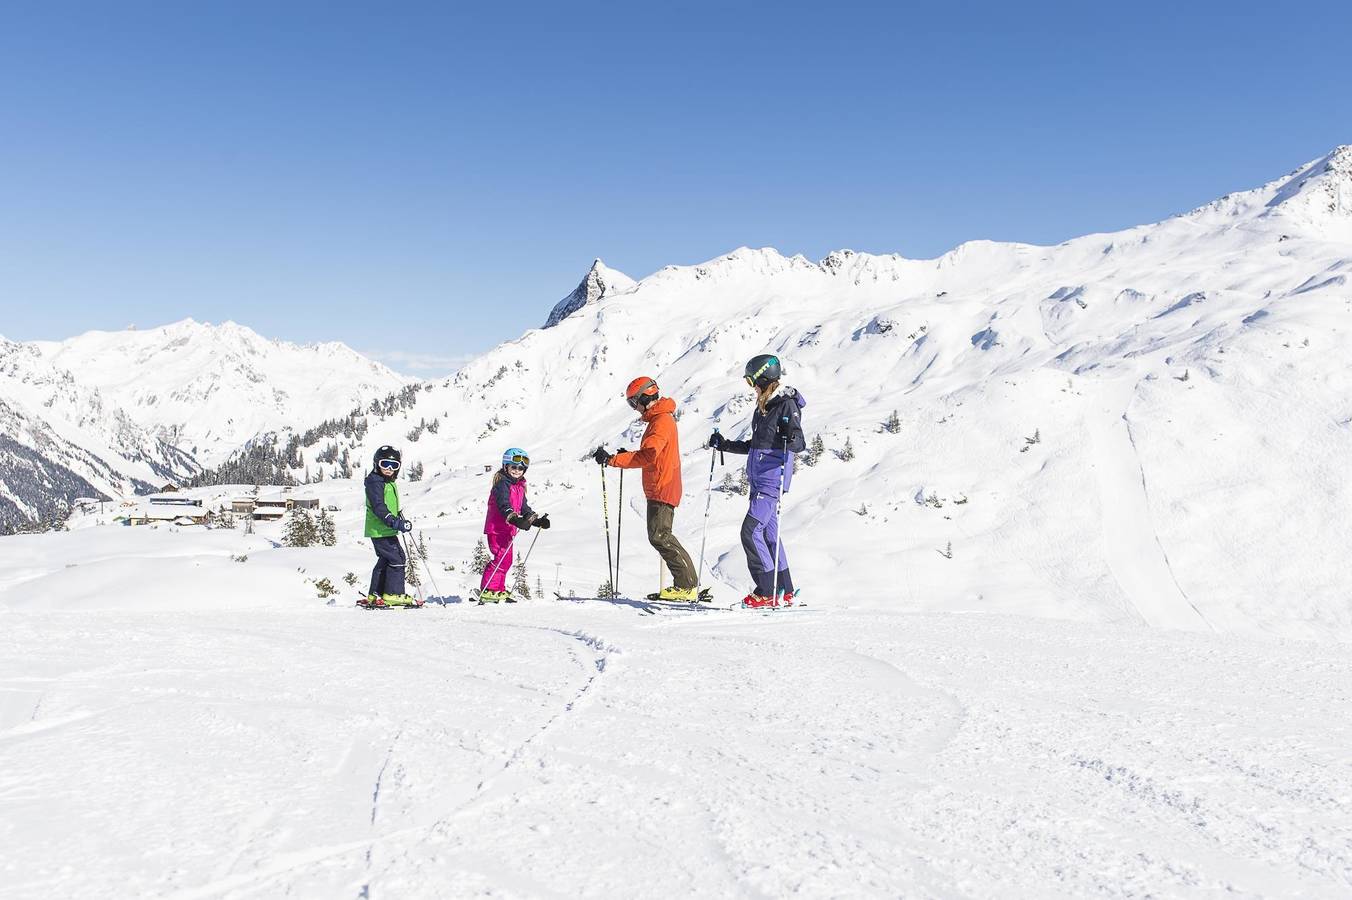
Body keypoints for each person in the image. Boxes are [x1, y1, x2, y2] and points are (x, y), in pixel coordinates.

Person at [709, 354, 806, 608]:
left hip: (771, 481)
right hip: (759, 481)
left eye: (753, 381)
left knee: (750, 532)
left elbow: (799, 442)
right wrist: (725, 445)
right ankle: (784, 589)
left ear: (763, 377)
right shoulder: (764, 408)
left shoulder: (786, 405)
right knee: (770, 536)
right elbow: (756, 446)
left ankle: (765, 591)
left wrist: (789, 435)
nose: (752, 387)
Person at [593, 377, 701, 601]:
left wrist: (614, 459)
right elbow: (652, 452)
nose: (634, 408)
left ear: (644, 397)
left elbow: (649, 456)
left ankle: (686, 586)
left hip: (662, 486)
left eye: (634, 403)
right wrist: (624, 456)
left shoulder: (661, 421)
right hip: (659, 485)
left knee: (660, 536)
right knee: (660, 536)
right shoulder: (659, 420)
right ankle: (685, 585)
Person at [480, 447, 550, 603]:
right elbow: (504, 504)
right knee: (500, 558)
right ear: (506, 466)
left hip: (508, 529)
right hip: (497, 528)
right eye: (514, 467)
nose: (518, 470)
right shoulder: (501, 485)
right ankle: (488, 590)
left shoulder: (519, 486)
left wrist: (535, 520)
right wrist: (514, 519)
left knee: (506, 560)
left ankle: (498, 590)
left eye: (521, 468)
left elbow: (524, 508)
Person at [362, 445, 419, 608]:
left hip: (383, 528)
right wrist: (393, 521)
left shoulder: (385, 481)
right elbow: (378, 506)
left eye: (394, 465)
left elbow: (387, 503)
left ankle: (376, 593)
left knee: (386, 559)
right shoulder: (375, 482)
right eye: (385, 464)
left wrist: (397, 515)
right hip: (381, 528)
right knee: (397, 558)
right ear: (376, 464)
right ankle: (394, 594)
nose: (388, 469)